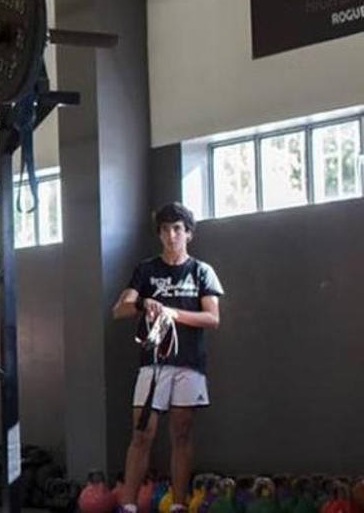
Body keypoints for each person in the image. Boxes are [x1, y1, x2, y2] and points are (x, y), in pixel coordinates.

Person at [111, 203, 224, 513]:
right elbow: (119, 309)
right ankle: (129, 506)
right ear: (159, 234)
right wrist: (142, 303)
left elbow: (212, 318)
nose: (171, 235)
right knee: (141, 432)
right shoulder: (146, 269)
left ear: (188, 233)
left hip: (189, 363)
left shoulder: (202, 271)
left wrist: (174, 313)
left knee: (182, 433)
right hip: (153, 364)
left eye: (177, 229)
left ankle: (177, 504)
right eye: (165, 229)